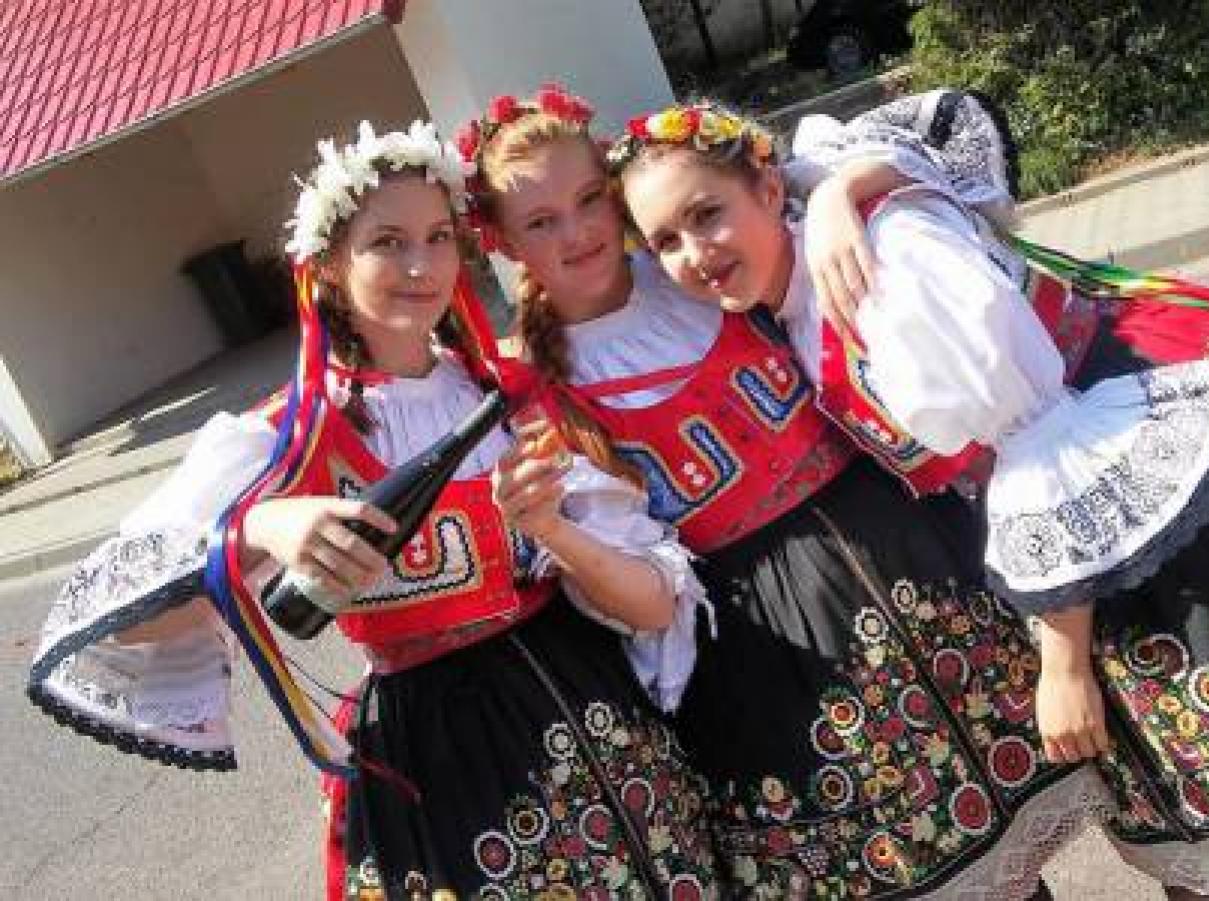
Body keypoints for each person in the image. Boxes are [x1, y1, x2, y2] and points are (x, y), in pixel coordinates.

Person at [606, 97, 1209, 900]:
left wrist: (1064, 661)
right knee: (1200, 829)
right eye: (667, 240)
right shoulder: (798, 284)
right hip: (1092, 556)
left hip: (1146, 527)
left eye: (707, 213)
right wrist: (844, 185)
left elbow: (1043, 444)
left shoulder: (887, 268)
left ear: (766, 185)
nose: (694, 251)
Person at [25, 121, 724, 900]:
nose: (421, 266)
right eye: (388, 242)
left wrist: (556, 529)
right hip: (437, 756)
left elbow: (652, 599)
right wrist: (260, 526)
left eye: (437, 238)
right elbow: (118, 625)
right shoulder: (290, 434)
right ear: (329, 264)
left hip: (592, 708)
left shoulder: (509, 397)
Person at [456, 86, 1116, 899]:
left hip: (914, 566)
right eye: (540, 221)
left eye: (590, 199)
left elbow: (842, 165)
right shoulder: (537, 392)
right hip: (778, 659)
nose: (578, 231)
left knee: (1011, 851)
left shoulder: (699, 263)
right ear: (501, 241)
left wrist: (839, 194)